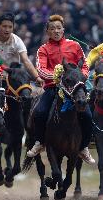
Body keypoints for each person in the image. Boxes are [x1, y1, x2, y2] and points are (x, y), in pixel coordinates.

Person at [26, 14, 95, 165]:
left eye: (58, 28)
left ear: (63, 29)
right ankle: (39, 142)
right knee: (40, 112)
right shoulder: (43, 49)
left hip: (75, 88)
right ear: (47, 31)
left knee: (88, 116)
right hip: (53, 88)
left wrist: (80, 77)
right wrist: (57, 77)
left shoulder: (75, 46)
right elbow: (41, 70)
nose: (56, 31)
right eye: (52, 29)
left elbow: (84, 66)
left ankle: (83, 147)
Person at [0, 12, 44, 85]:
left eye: (10, 27)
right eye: (4, 26)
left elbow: (26, 61)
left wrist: (36, 77)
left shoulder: (17, 41)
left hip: (15, 79)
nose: (7, 30)